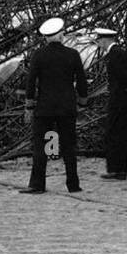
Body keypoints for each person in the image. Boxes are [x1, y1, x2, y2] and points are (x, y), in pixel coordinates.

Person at [22, 17, 88, 194]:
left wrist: (29, 106)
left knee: (41, 146)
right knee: (69, 146)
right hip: (67, 108)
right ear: (61, 35)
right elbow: (81, 81)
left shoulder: (38, 55)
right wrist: (82, 103)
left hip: (45, 108)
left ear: (46, 37)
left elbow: (31, 82)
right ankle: (73, 185)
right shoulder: (72, 54)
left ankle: (37, 185)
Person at [95, 26, 127, 180]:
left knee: (114, 133)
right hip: (120, 99)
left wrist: (119, 96)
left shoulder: (115, 54)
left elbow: (124, 78)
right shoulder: (118, 53)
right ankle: (118, 169)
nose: (98, 43)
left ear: (104, 39)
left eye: (99, 40)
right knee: (118, 133)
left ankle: (115, 170)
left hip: (118, 100)